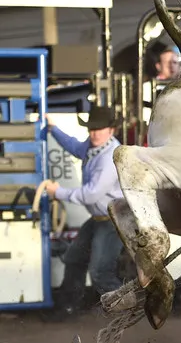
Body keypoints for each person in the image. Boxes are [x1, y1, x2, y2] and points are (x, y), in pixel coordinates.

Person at [43, 108, 125, 319]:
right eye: (91, 129)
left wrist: (57, 192)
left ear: (111, 130)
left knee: (99, 271)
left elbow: (90, 194)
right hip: (102, 218)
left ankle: (128, 309)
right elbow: (75, 146)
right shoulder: (93, 147)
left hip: (113, 220)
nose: (94, 133)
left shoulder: (110, 158)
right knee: (75, 259)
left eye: (99, 129)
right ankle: (69, 308)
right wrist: (54, 129)